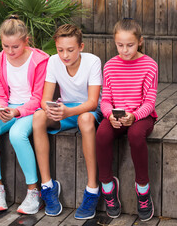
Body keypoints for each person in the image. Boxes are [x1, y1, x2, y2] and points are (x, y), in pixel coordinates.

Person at [0, 15, 49, 214]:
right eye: (5, 46)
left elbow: (38, 97)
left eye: (15, 47)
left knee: (17, 135)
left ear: (26, 41)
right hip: (8, 108)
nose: (10, 51)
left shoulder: (40, 60)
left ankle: (34, 191)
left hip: (32, 109)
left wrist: (18, 111)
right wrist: (0, 108)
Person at [32, 24, 103, 218]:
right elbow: (44, 100)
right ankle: (47, 186)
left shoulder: (92, 61)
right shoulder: (53, 62)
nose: (65, 55)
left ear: (81, 47)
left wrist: (67, 111)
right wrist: (51, 110)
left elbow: (92, 102)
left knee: (86, 120)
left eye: (70, 50)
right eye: (60, 50)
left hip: (85, 111)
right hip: (65, 111)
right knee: (38, 116)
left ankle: (92, 189)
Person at [96, 18, 157, 222]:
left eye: (129, 45)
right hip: (116, 115)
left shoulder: (150, 65)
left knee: (135, 134)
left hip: (141, 116)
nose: (124, 50)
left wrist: (135, 116)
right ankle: (107, 186)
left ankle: (143, 189)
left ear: (140, 41)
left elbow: (150, 101)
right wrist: (109, 115)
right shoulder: (110, 66)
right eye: (119, 45)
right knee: (102, 133)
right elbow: (105, 100)